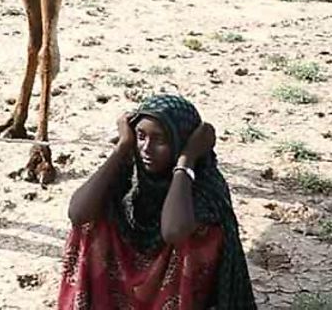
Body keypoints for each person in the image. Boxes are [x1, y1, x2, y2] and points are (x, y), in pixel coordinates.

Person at [58, 95, 256, 309]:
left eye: (160, 140)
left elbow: (174, 231)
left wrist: (185, 162)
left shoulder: (205, 183)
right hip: (120, 287)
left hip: (171, 292)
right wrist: (122, 147)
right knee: (92, 221)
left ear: (182, 142)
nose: (146, 148)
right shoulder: (129, 170)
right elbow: (77, 213)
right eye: (141, 136)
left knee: (197, 235)